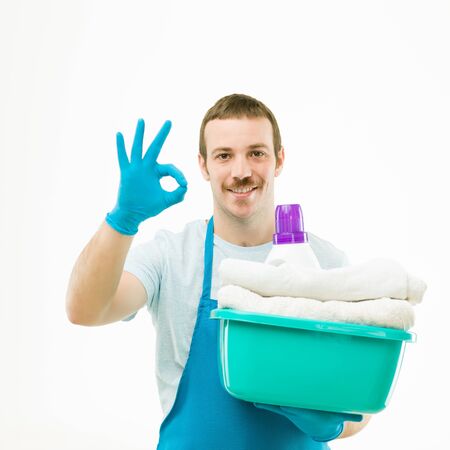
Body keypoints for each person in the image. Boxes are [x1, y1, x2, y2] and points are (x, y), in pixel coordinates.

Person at [66, 94, 371, 449]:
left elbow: (360, 404)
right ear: (204, 165)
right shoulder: (172, 256)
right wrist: (122, 220)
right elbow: (85, 310)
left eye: (256, 152)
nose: (241, 171)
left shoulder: (324, 262)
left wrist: (335, 425)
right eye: (224, 155)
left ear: (279, 159)